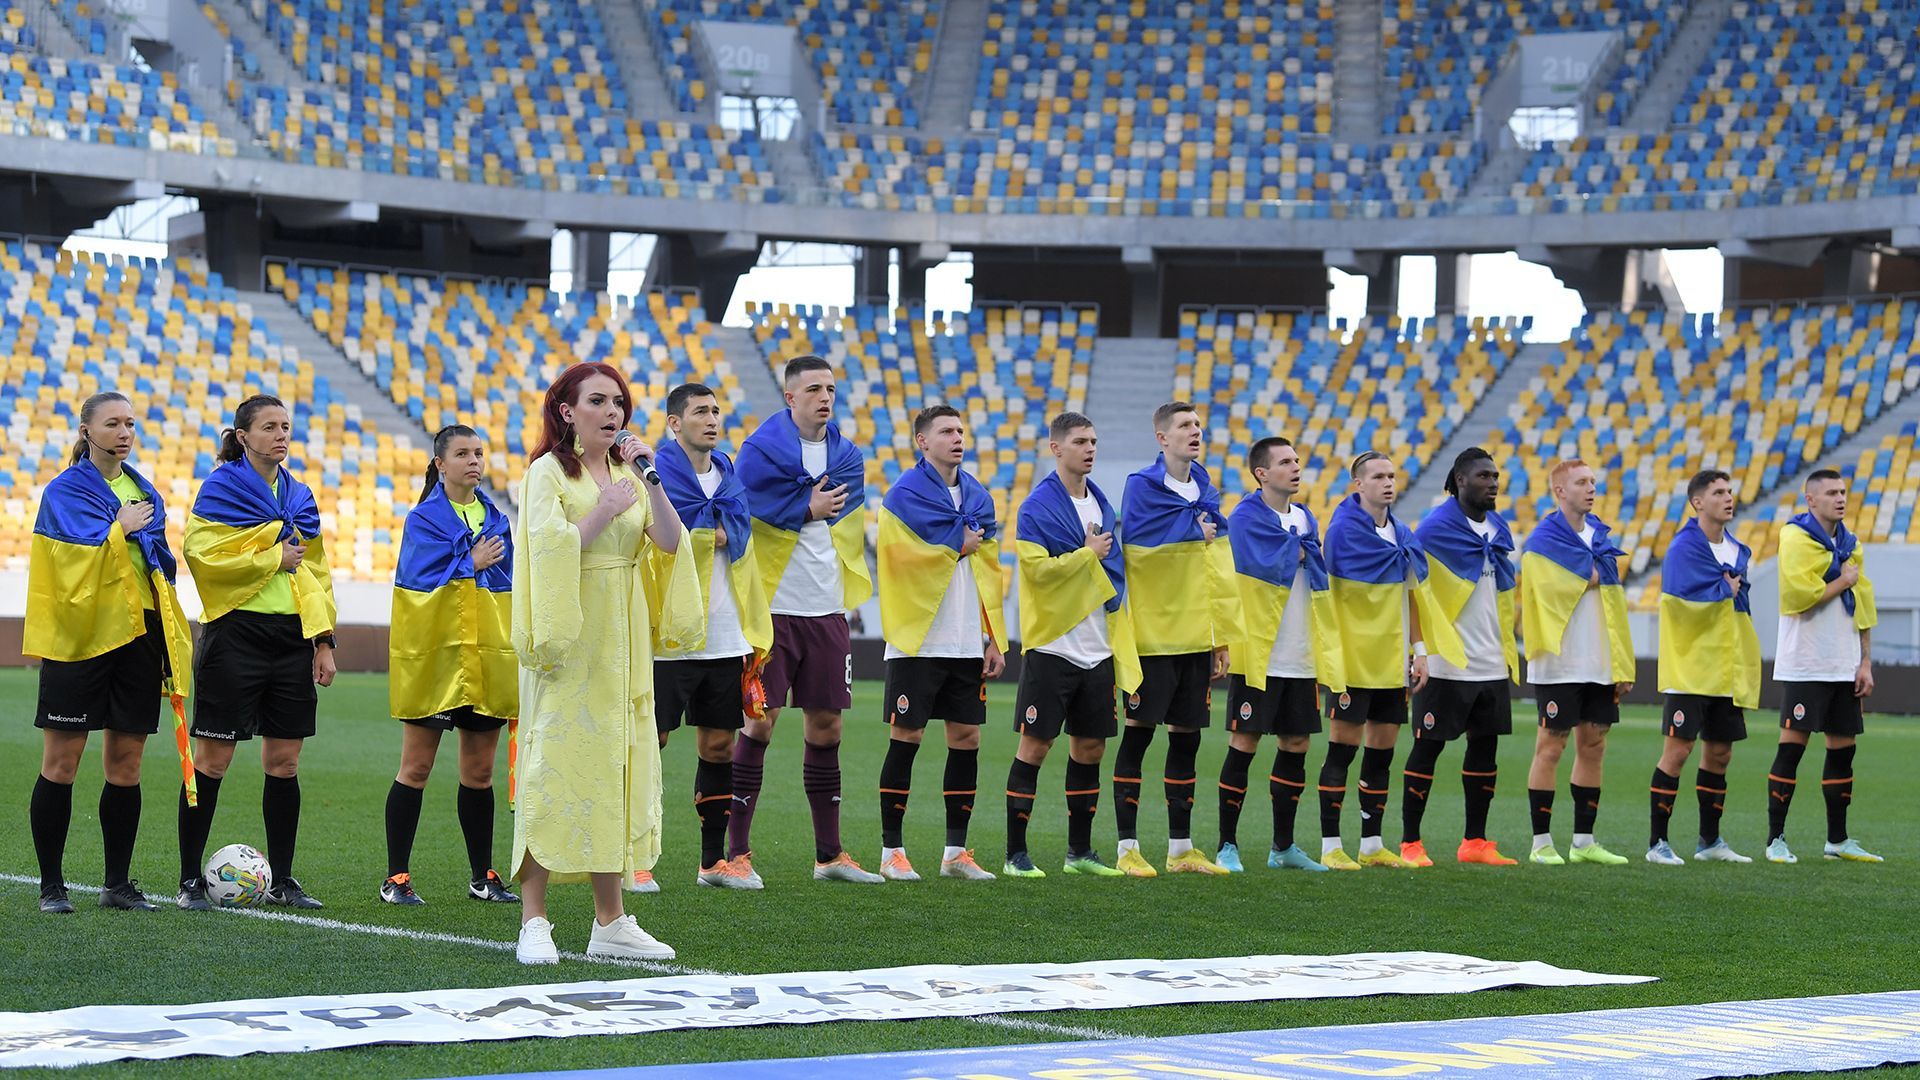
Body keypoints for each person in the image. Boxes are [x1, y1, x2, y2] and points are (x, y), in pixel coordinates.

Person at [510, 361, 702, 964]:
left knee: (616, 768)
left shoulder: (630, 473)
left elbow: (668, 541)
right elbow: (546, 548)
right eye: (598, 401)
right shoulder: (546, 472)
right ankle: (534, 919)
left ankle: (611, 920)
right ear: (567, 412)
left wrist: (651, 481)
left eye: (618, 401)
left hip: (623, 640)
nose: (612, 411)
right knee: (552, 766)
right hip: (567, 641)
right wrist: (602, 510)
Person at [25, 391, 193, 913]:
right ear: (86, 432)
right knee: (62, 762)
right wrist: (118, 529)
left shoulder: (145, 491)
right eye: (113, 424)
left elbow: (158, 564)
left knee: (126, 762)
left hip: (139, 635)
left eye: (130, 424)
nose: (124, 433)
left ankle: (116, 884)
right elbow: (66, 568)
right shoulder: (64, 492)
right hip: (81, 637)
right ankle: (52, 886)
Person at [178, 394, 337, 911]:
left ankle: (283, 880)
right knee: (213, 760)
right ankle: (189, 881)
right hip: (234, 636)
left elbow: (317, 572)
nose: (281, 434)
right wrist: (272, 557)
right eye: (269, 427)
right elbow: (201, 555)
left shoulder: (300, 495)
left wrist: (323, 640)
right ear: (243, 436)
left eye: (285, 426)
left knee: (285, 763)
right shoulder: (220, 489)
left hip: (291, 639)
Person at [732, 356, 882, 884]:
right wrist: (804, 507)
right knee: (760, 721)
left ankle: (829, 856)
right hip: (774, 607)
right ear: (790, 397)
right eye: (814, 389)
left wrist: (810, 507)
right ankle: (735, 853)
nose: (825, 397)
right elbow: (744, 508)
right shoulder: (759, 451)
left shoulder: (847, 455)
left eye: (831, 389)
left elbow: (845, 512)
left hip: (827, 609)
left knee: (827, 725)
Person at [382, 424, 519, 906]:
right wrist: (470, 563)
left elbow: (507, 590)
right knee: (416, 767)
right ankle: (396, 877)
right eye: (462, 454)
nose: (473, 461)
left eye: (478, 453)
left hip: (484, 660)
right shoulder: (423, 520)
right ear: (440, 464)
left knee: (479, 773)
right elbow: (416, 587)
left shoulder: (497, 520)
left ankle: (483, 876)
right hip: (437, 661)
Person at [874, 405, 1007, 882]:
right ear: (922, 441)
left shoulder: (979, 497)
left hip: (966, 641)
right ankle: (892, 851)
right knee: (906, 738)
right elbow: (897, 558)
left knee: (967, 739)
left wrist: (994, 637)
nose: (957, 438)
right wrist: (956, 544)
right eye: (946, 431)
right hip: (918, 639)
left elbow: (988, 569)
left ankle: (955, 853)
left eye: (960, 430)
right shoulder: (904, 494)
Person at [1003, 412, 1137, 878]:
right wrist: (1086, 555)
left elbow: (1112, 571)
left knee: (1091, 748)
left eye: (1094, 441)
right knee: (1035, 746)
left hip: (1098, 647)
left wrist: (1092, 559)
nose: (1090, 448)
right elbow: (1037, 573)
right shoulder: (1037, 507)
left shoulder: (1103, 506)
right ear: (1056, 448)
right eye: (1080, 441)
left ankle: (1079, 852)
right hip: (1053, 646)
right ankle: (1015, 855)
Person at [652, 382, 771, 890]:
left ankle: (712, 862)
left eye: (716, 411)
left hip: (724, 634)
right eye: (700, 411)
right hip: (668, 637)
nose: (712, 419)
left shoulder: (728, 474)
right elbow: (658, 537)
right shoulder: (655, 473)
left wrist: (725, 534)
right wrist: (712, 535)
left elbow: (743, 531)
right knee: (649, 742)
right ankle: (633, 858)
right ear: (675, 423)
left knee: (720, 745)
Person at [1112, 402, 1236, 877]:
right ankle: (1127, 848)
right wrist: (1190, 529)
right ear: (1162, 438)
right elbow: (1138, 544)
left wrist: (1219, 636)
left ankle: (1180, 849)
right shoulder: (1142, 485)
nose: (1195, 431)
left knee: (1187, 740)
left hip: (1195, 636)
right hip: (1154, 635)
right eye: (1185, 425)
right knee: (1138, 736)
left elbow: (1216, 567)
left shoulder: (1205, 487)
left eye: (1198, 425)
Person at [1218, 436, 1342, 873]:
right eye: (1285, 461)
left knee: (1296, 742)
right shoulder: (1245, 517)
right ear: (1262, 473)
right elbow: (1258, 564)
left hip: (1300, 652)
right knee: (1245, 741)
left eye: (1297, 460)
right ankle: (1227, 845)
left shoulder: (1306, 518)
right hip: (1260, 652)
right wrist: (1299, 549)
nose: (1296, 467)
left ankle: (1283, 847)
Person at [1318, 451, 1441, 871]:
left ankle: (1371, 844)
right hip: (1353, 659)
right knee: (1342, 751)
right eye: (1378, 476)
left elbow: (1412, 595)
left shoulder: (1403, 535)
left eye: (1391, 475)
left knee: (1381, 754)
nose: (1387, 482)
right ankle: (1331, 845)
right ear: (1359, 484)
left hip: (1391, 661)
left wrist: (1419, 650)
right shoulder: (1341, 532)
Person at [1403, 448, 1520, 867]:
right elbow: (1414, 589)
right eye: (1484, 476)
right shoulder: (1434, 529)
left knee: (1485, 752)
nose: (1493, 483)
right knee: (1427, 749)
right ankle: (1410, 843)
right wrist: (1419, 650)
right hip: (1447, 661)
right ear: (1460, 480)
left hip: (1490, 660)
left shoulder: (1499, 528)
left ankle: (1476, 841)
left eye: (1496, 476)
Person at [1518, 460, 1635, 866]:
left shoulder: (1601, 538)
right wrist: (1590, 575)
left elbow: (1615, 603)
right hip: (1559, 661)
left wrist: (1622, 664)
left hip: (1600, 660)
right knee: (1551, 746)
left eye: (1593, 482)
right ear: (1559, 491)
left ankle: (1584, 841)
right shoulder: (1542, 540)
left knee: (1594, 746)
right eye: (1581, 482)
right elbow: (1545, 590)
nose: (1591, 489)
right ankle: (1541, 843)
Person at [1765, 469, 1880, 864]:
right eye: (1831, 492)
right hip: (1806, 664)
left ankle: (1838, 840)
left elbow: (1863, 605)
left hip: (1844, 665)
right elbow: (1799, 597)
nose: (1840, 498)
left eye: (1843, 492)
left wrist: (1865, 661)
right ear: (1810, 499)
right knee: (1791, 750)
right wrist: (1844, 580)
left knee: (1843, 752)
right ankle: (1775, 839)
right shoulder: (1794, 537)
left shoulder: (1851, 544)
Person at [1648, 469, 1760, 866]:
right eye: (1718, 492)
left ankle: (1709, 841)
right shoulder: (1683, 549)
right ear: (1697, 502)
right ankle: (1657, 843)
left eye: (1730, 491)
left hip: (1726, 669)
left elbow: (1738, 612)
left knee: (1721, 753)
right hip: (1691, 669)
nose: (1728, 498)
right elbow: (1677, 605)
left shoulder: (1738, 551)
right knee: (1678, 752)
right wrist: (1723, 590)